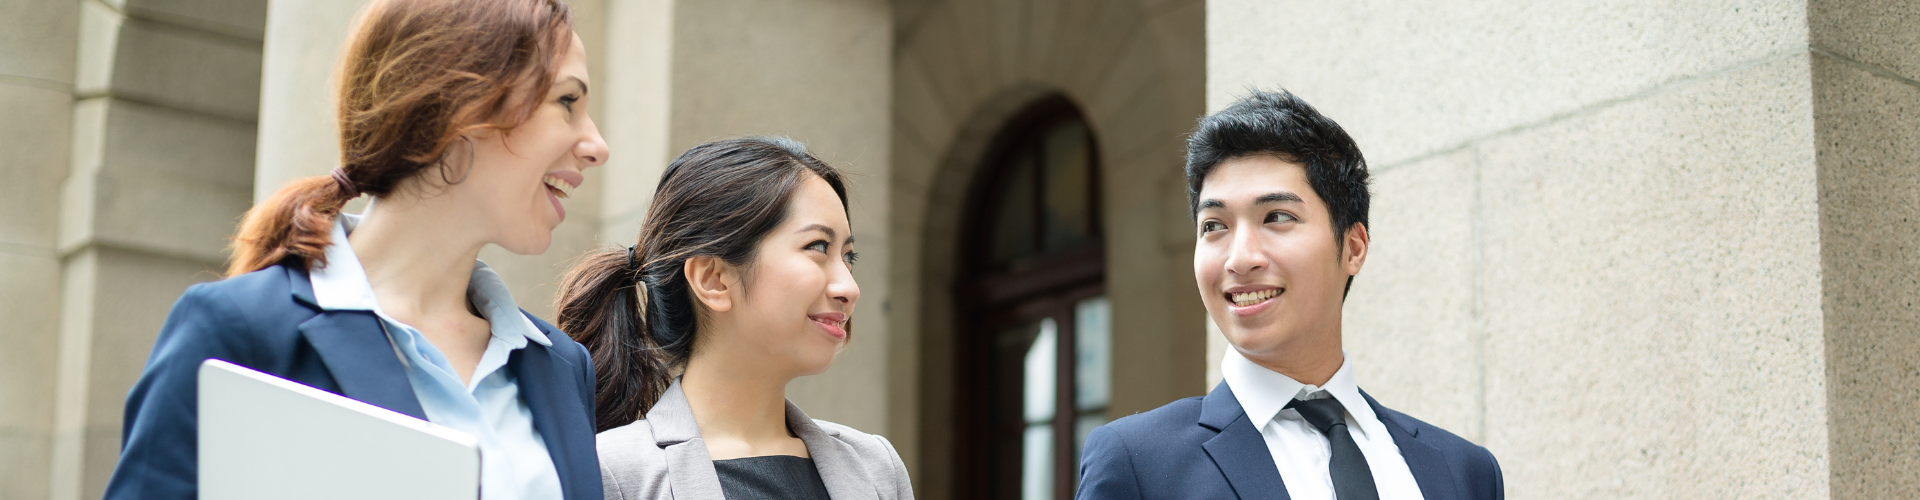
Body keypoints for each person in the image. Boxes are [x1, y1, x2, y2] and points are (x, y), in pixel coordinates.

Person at [105, 0, 609, 498]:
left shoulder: (561, 366)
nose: (596, 145)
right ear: (461, 106)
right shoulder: (242, 330)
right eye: (567, 102)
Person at [1076, 90, 1503, 500]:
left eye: (1277, 217)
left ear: (1353, 248)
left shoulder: (1464, 471)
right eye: (1214, 225)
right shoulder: (1140, 465)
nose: (1240, 259)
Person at [557, 137, 913, 500]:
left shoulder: (876, 467)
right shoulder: (612, 474)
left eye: (849, 257)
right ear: (712, 278)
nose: (848, 287)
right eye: (818, 247)